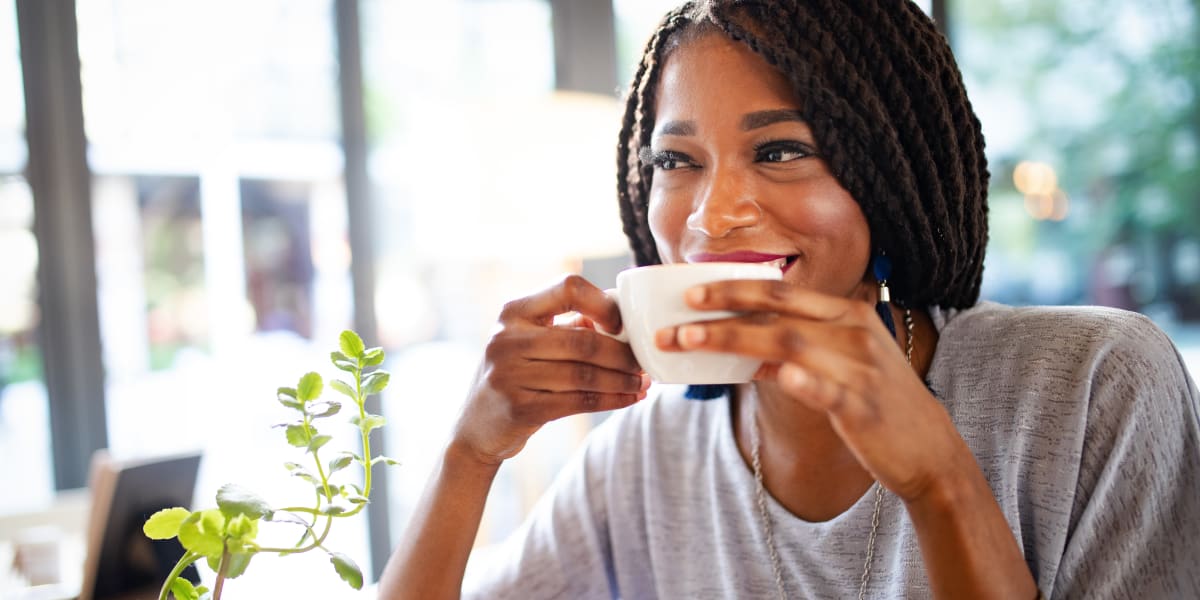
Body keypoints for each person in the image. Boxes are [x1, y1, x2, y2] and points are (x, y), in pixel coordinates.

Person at [378, 1, 1200, 598]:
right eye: (676, 161)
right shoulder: (646, 456)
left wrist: (940, 480)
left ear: (886, 180)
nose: (711, 213)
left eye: (779, 150)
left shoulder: (1094, 386)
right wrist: (468, 456)